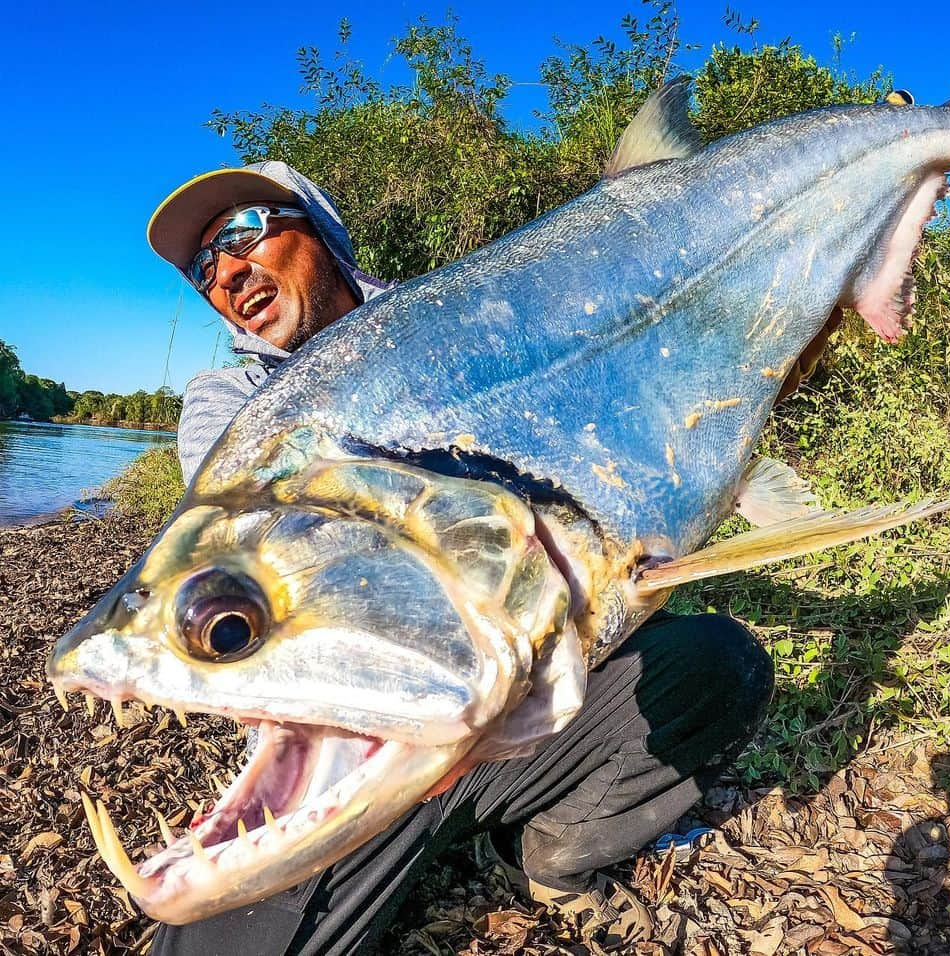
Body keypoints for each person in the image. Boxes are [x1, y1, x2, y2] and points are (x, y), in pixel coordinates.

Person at [146, 161, 775, 955]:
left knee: (719, 664)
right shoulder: (229, 408)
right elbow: (253, 529)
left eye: (243, 233)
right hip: (357, 761)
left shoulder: (456, 324)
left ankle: (544, 846)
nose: (228, 273)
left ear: (322, 229)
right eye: (203, 267)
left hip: (528, 701)